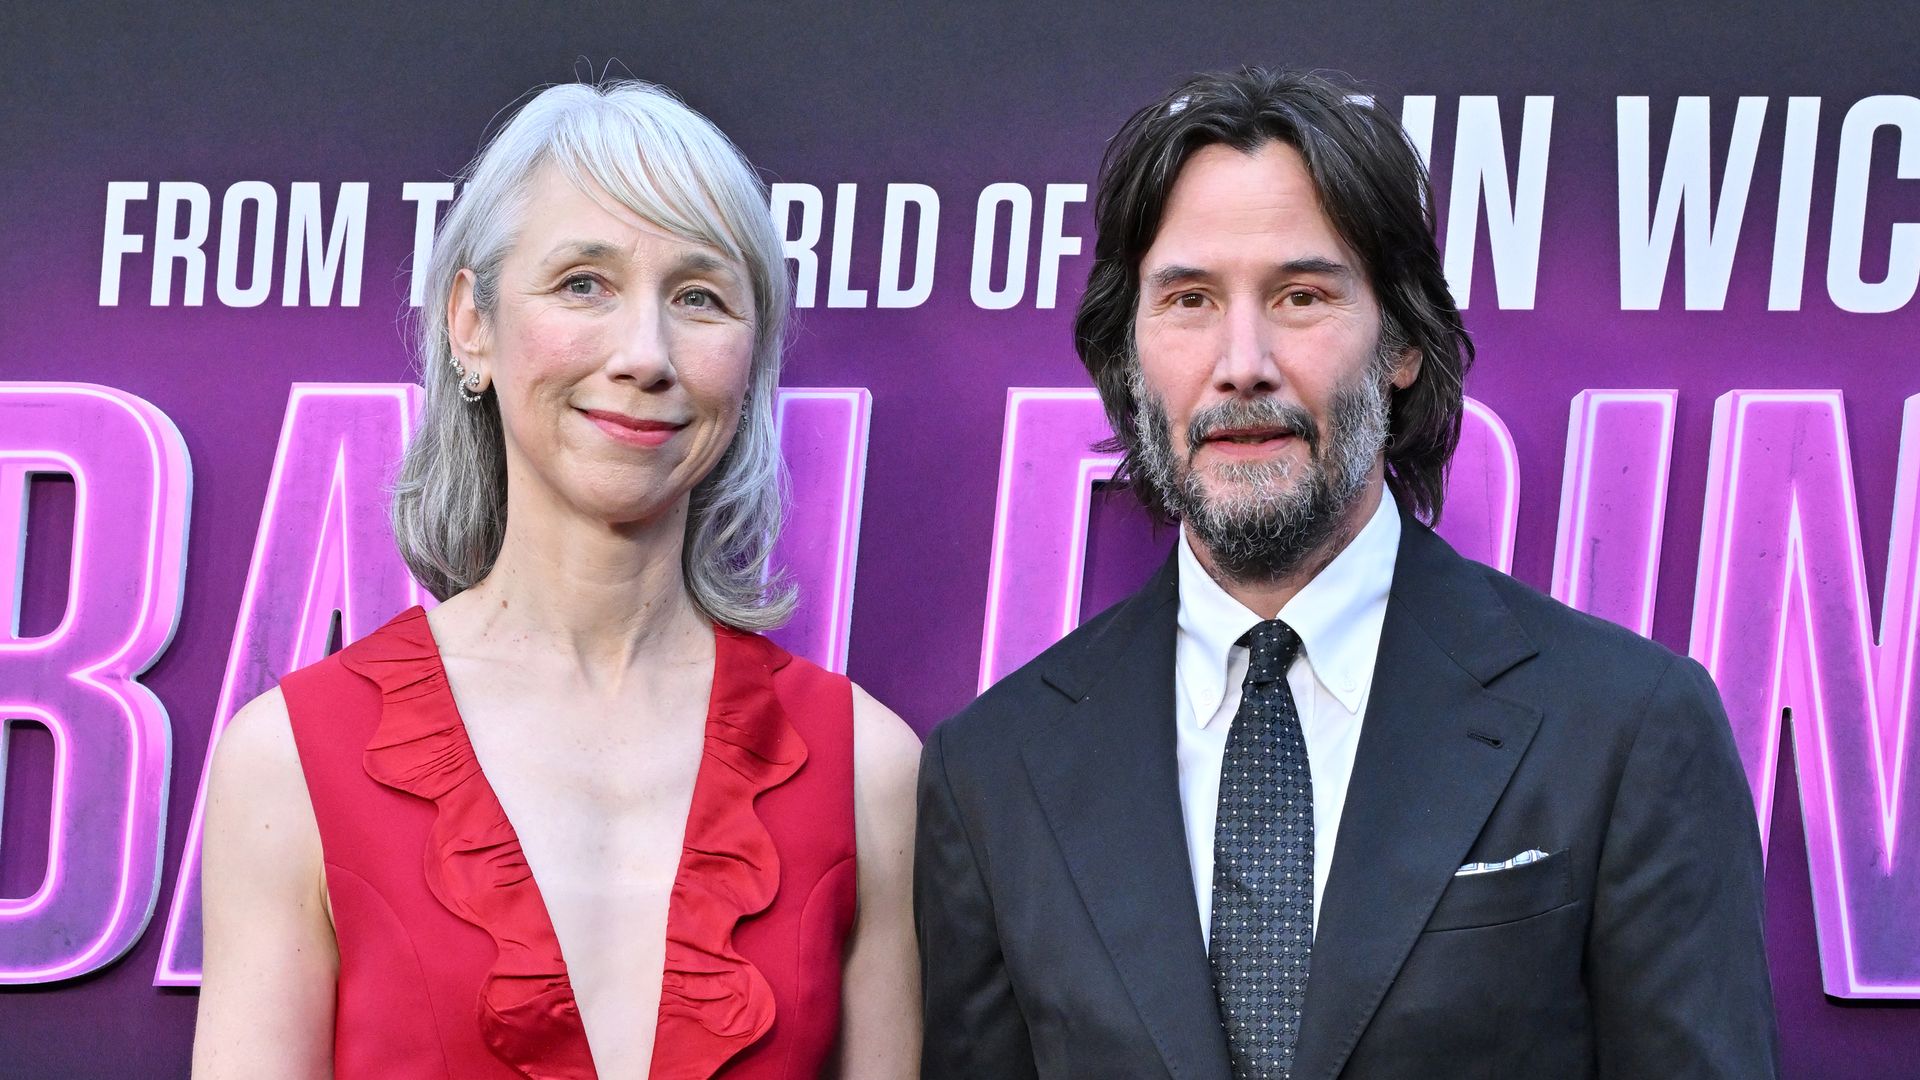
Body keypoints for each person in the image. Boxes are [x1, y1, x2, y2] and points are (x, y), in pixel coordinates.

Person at [915, 68, 1777, 1079]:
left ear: (1401, 342)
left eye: (1302, 296)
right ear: (1130, 354)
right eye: (1189, 300)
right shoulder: (993, 770)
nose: (1243, 361)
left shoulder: (1626, 726)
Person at [193, 81, 922, 1079]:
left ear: (752, 358)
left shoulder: (868, 772)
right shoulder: (290, 761)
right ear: (471, 324)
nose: (645, 355)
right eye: (584, 283)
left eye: (700, 297)